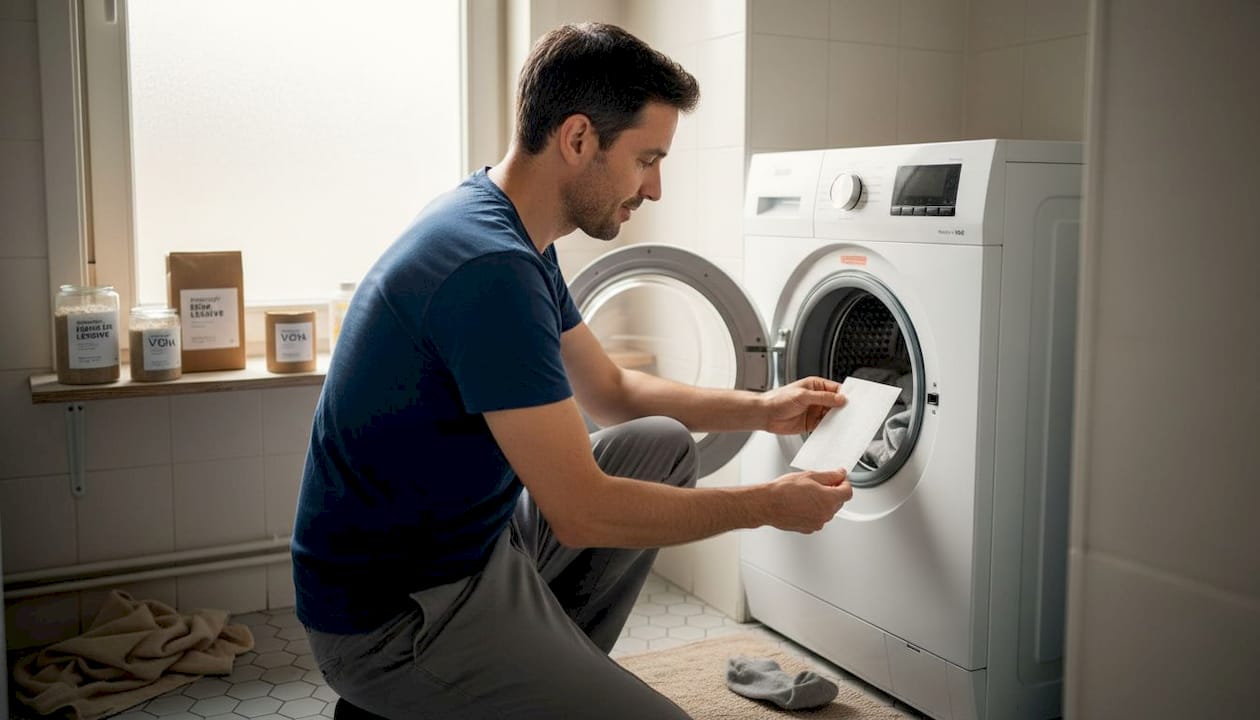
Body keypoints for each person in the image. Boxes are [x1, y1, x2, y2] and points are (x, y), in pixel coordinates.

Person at [292, 22, 853, 720]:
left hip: (474, 546)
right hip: (397, 616)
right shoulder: (491, 269)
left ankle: (531, 674)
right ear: (579, 138)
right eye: (647, 159)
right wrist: (768, 505)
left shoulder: (508, 226)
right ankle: (440, 690)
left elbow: (612, 393)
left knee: (660, 445)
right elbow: (582, 513)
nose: (655, 188)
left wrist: (764, 409)